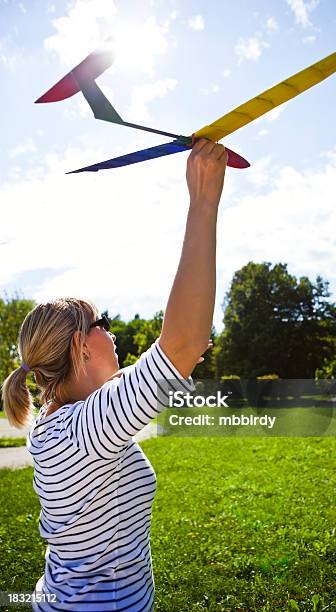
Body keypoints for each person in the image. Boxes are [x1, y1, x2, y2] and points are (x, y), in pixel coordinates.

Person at [1, 138, 228, 611]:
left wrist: (173, 360)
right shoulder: (83, 429)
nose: (113, 332)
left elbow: (178, 350)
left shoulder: (62, 422)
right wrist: (203, 202)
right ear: (81, 348)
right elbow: (181, 345)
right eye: (101, 324)